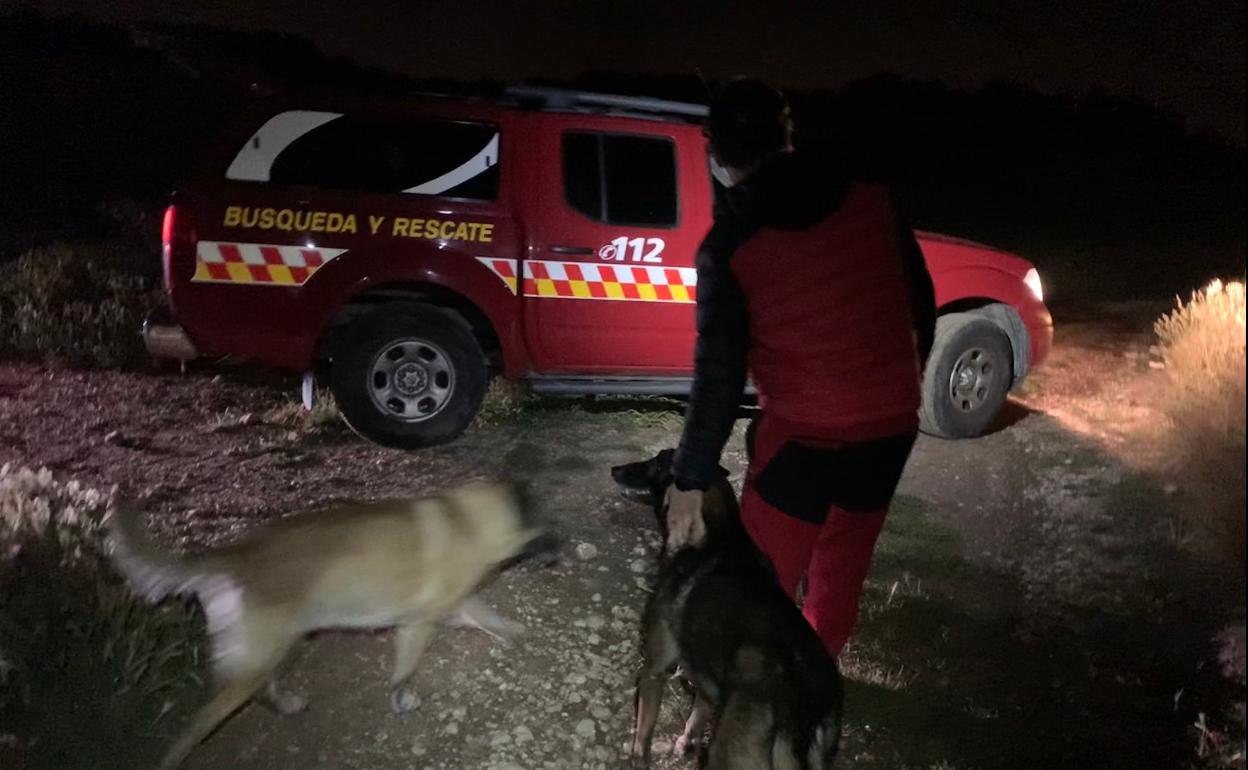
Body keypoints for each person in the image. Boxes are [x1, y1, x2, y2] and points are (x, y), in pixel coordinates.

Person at [666, 78, 936, 657]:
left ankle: (746, 705)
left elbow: (719, 373)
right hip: (888, 432)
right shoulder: (871, 197)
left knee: (762, 582)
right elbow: (921, 302)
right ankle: (813, 690)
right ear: (785, 136)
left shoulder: (731, 246)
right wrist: (899, 387)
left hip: (804, 442)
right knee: (840, 574)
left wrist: (689, 479)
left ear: (715, 147)